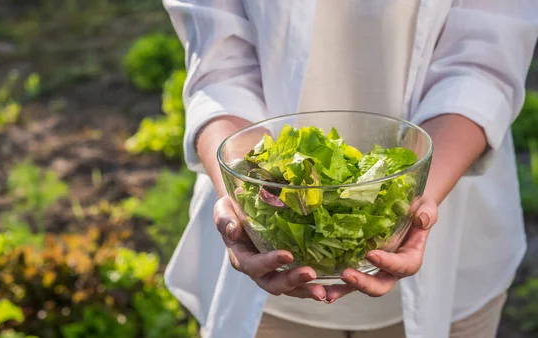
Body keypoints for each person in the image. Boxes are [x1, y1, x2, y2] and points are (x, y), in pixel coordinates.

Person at [162, 1, 538, 337]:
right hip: (267, 269)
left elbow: (481, 64)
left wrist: (416, 201)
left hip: (454, 238)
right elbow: (220, 66)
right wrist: (247, 188)